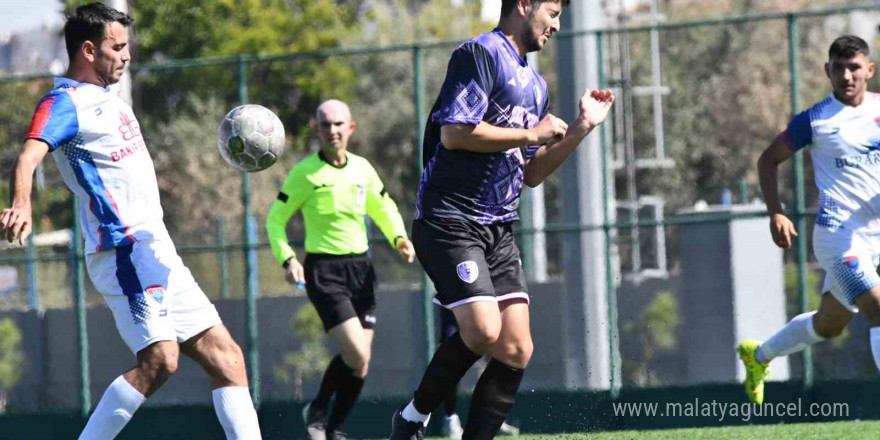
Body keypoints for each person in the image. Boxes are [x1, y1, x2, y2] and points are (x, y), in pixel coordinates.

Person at [0, 4, 261, 440]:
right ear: (88, 50)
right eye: (117, 47)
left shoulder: (108, 97)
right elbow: (28, 156)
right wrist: (21, 204)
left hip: (156, 249)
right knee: (161, 360)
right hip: (122, 250)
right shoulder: (65, 103)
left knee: (228, 358)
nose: (126, 56)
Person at [388, 0, 615, 437]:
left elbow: (531, 173)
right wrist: (532, 132)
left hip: (499, 229)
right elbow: (456, 134)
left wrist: (581, 128)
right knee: (484, 331)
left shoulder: (535, 85)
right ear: (524, 4)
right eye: (552, 12)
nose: (557, 25)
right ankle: (413, 417)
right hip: (449, 219)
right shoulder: (479, 54)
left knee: (515, 348)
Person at [738, 35, 880, 405]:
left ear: (869, 70)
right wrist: (776, 212)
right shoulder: (815, 121)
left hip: (876, 237)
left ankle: (758, 356)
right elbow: (768, 160)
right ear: (827, 71)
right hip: (839, 238)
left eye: (853, 67)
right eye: (838, 68)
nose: (846, 75)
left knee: (829, 324)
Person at [265, 99, 415, 440]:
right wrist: (288, 258)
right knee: (356, 351)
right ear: (317, 130)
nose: (332, 131)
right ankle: (317, 408)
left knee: (361, 363)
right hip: (325, 273)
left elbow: (384, 205)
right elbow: (275, 221)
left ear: (350, 128)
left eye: (338, 124)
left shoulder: (363, 169)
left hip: (361, 271)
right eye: (325, 125)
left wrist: (399, 237)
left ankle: (333, 429)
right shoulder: (305, 174)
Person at [435, 309, 519, 439]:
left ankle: (492, 416)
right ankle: (449, 417)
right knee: (453, 356)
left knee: (496, 351)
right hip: (457, 301)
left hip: (485, 298)